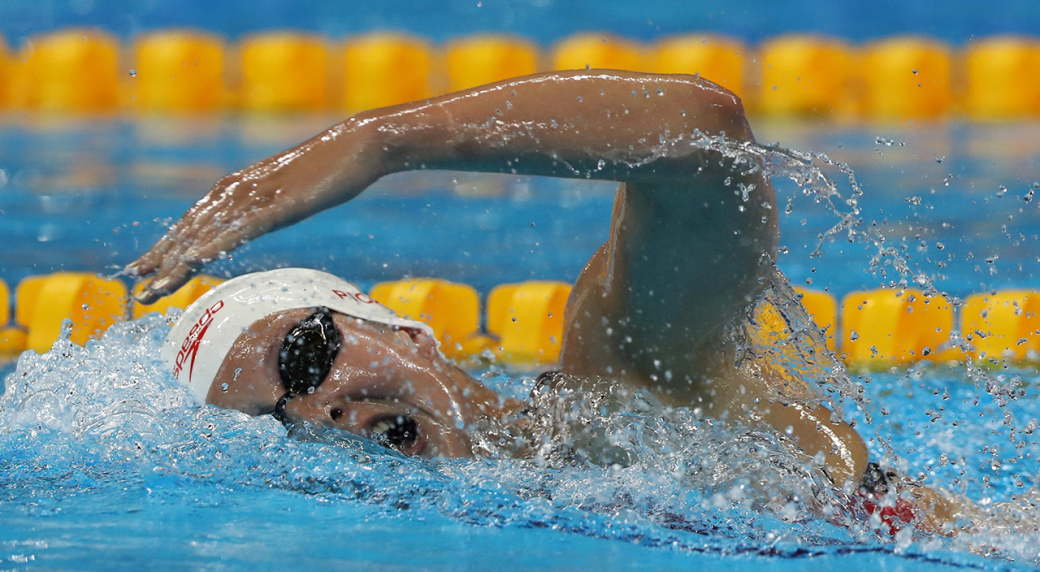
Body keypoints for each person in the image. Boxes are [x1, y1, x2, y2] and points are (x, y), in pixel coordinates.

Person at [127, 69, 954, 532]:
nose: (316, 411)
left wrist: (383, 142)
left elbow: (704, 136)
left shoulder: (627, 373)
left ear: (409, 333)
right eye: (274, 419)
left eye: (303, 355)